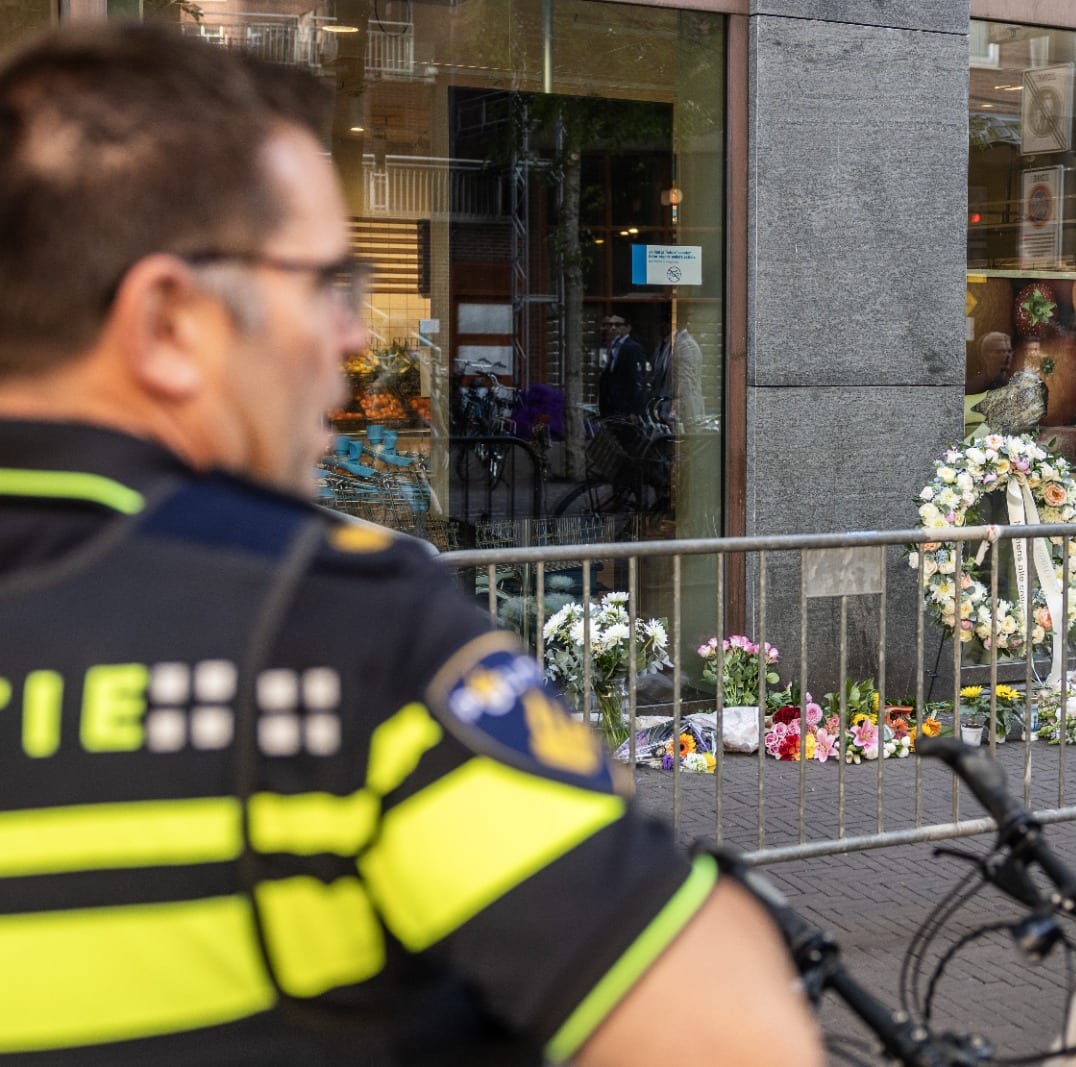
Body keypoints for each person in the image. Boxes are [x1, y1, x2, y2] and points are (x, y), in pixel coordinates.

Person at [0, 24, 822, 1066]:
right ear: (168, 321)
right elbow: (729, 1037)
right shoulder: (330, 619)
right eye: (322, 284)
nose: (354, 337)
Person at [595, 311, 649, 421]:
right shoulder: (614, 346)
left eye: (618, 325)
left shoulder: (632, 348)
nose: (613, 328)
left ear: (628, 328)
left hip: (625, 409)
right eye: (610, 325)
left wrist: (634, 411)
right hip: (612, 408)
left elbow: (637, 380)